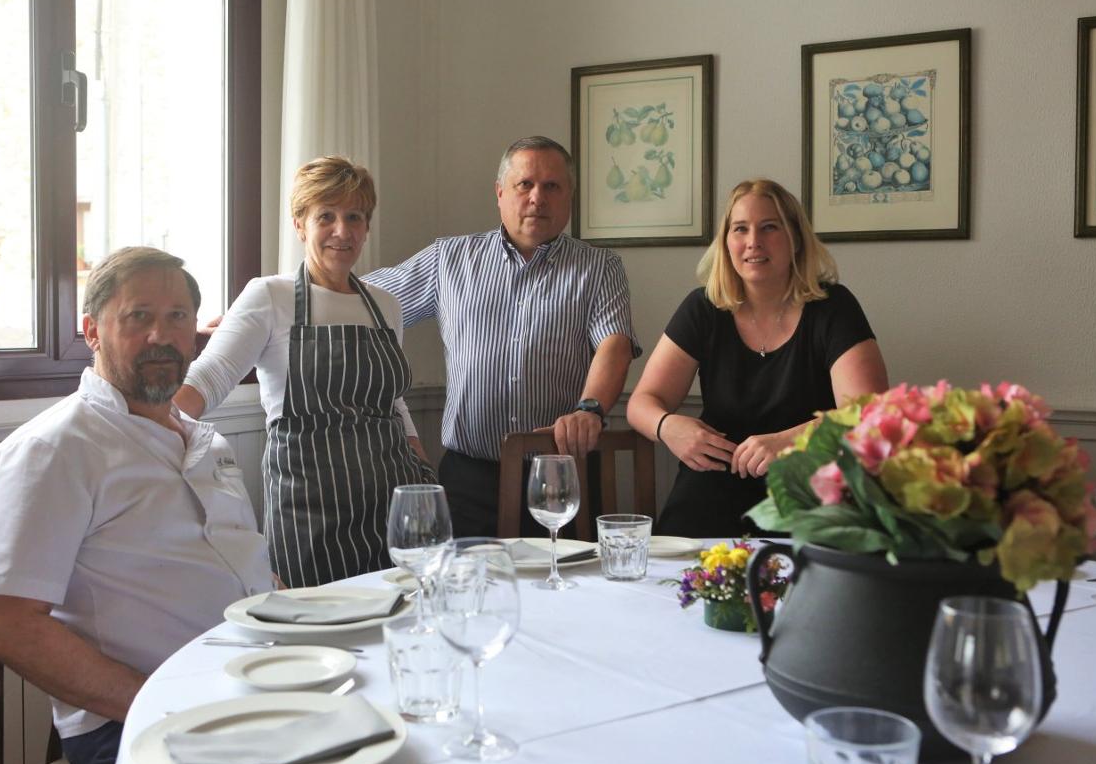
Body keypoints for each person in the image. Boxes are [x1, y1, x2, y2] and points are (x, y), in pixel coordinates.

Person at [0, 247, 273, 764]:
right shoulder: (54, 449)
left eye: (177, 316)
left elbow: (241, 569)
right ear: (92, 331)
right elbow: (7, 628)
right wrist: (165, 701)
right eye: (138, 316)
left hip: (244, 687)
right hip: (131, 717)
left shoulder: (208, 443)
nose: (161, 335)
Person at [175, 156, 435, 588]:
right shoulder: (268, 296)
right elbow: (210, 377)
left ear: (367, 227)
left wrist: (424, 473)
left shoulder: (386, 305)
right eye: (326, 216)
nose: (342, 231)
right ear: (300, 224)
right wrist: (143, 432)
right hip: (309, 513)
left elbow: (391, 401)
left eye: (354, 217)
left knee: (399, 615)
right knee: (315, 623)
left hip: (392, 502)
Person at [364, 136, 641, 537]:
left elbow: (615, 344)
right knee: (465, 577)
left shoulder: (599, 268)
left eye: (552, 186)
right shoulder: (448, 260)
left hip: (559, 474)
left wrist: (589, 409)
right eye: (524, 184)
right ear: (500, 193)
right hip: (468, 479)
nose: (537, 197)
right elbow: (365, 304)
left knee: (565, 576)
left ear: (570, 197)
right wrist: (295, 292)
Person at [627, 178, 889, 537]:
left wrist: (788, 441)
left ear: (795, 238)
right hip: (712, 484)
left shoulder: (834, 308)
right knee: (669, 567)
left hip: (808, 486)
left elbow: (867, 414)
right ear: (726, 242)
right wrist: (667, 426)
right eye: (740, 229)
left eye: (769, 227)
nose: (753, 241)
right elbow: (641, 402)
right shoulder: (702, 308)